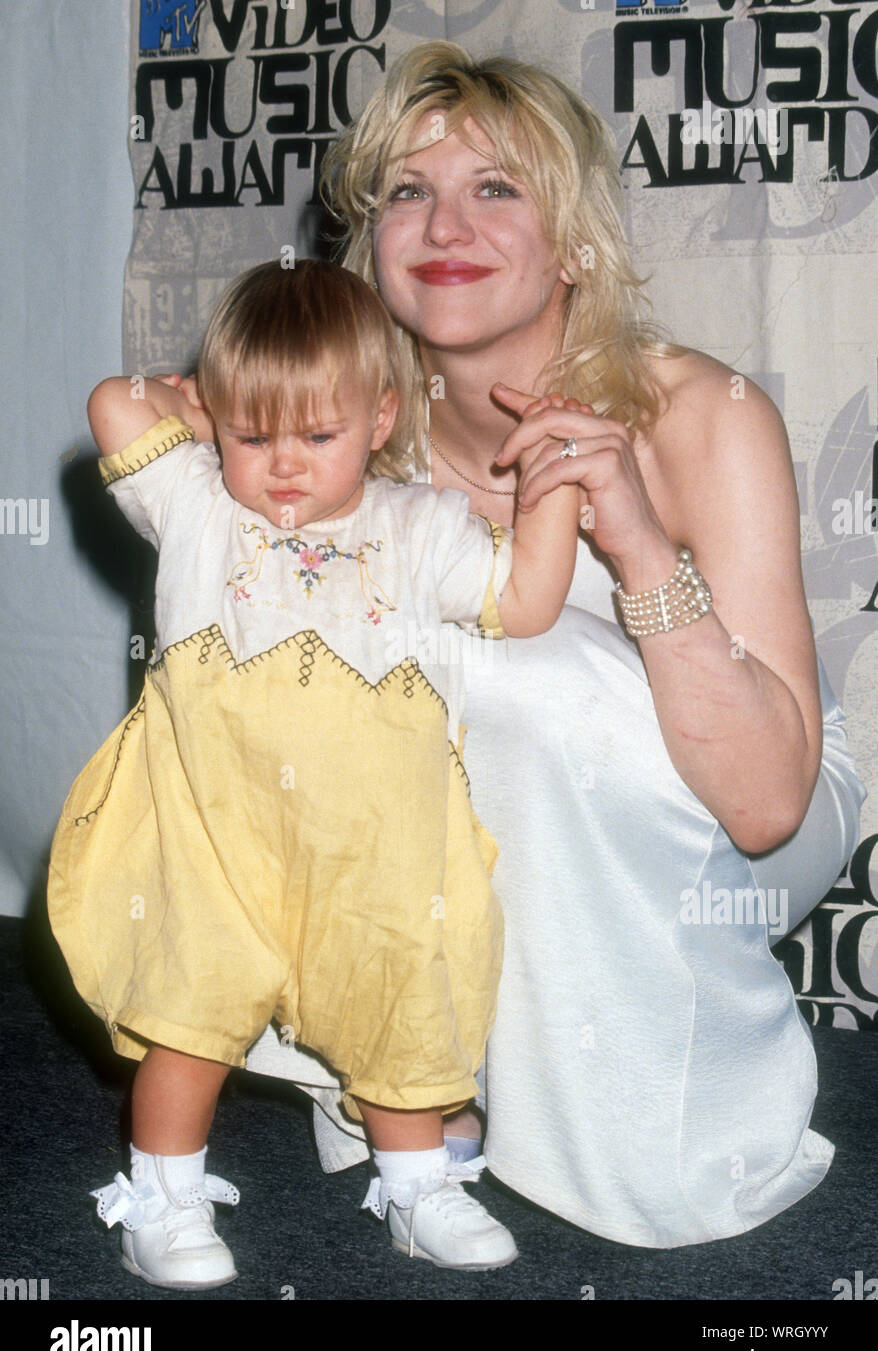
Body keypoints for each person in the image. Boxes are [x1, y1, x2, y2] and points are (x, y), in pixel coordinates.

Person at [244, 43, 866, 1249]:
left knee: (511, 670)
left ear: (574, 241)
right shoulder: (347, 428)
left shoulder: (696, 413)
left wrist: (634, 543)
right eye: (405, 193)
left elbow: (764, 805)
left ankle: (655, 1116)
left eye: (496, 189)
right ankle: (423, 1073)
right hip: (503, 796)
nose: (442, 225)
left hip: (747, 798)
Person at [47, 257, 582, 1287]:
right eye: (255, 435)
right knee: (187, 1016)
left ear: (381, 416)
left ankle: (418, 1183)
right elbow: (114, 404)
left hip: (372, 853)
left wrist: (552, 478)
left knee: (399, 1011)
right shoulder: (198, 509)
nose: (283, 464)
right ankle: (161, 1199)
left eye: (318, 434)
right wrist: (211, 404)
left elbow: (524, 602)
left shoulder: (416, 526)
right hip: (215, 841)